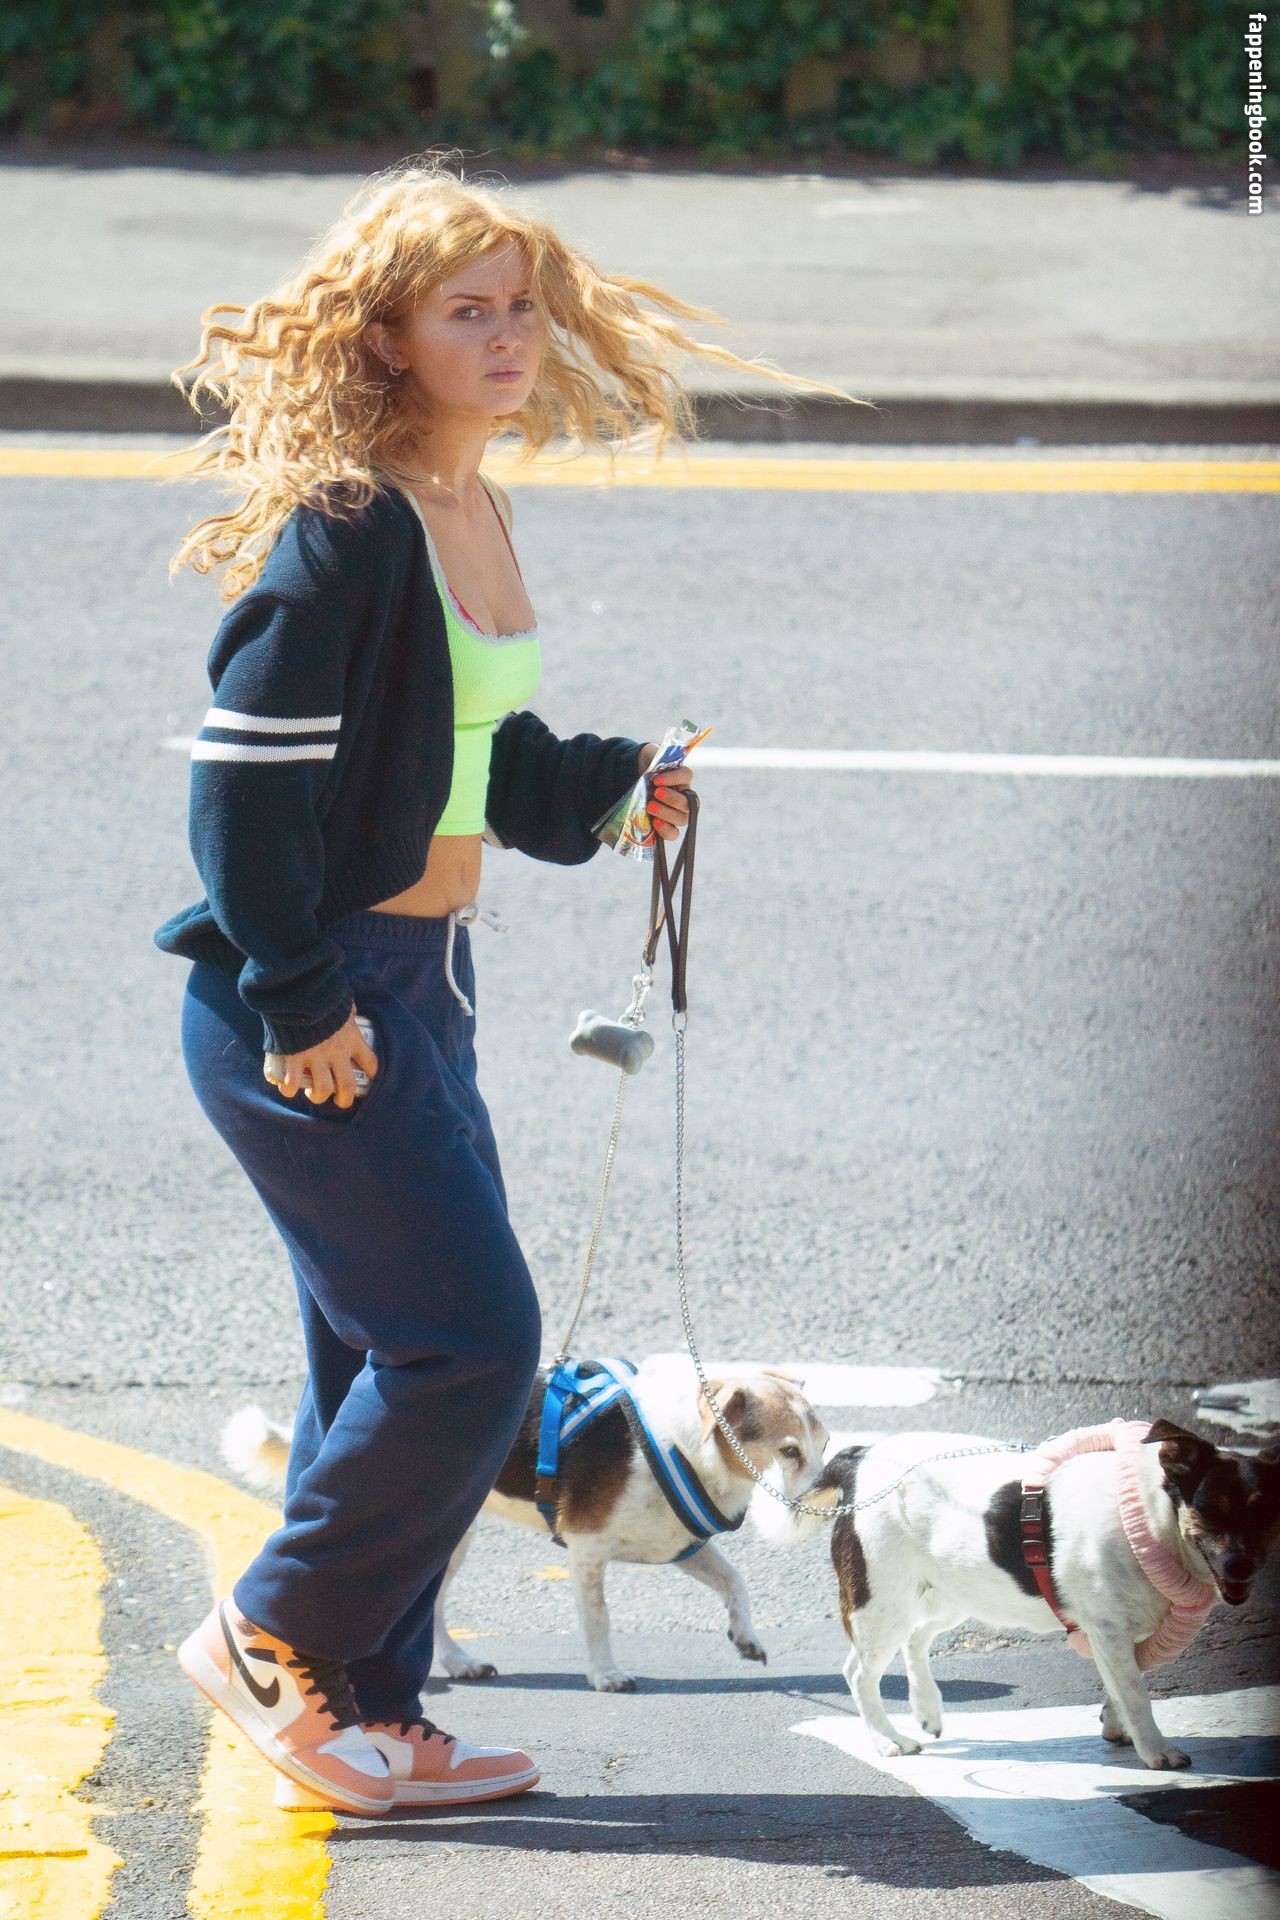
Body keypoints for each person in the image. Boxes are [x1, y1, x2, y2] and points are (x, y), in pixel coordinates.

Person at [153, 151, 858, 1817]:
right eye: (465, 311)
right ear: (385, 337)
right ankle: (272, 1634)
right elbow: (240, 789)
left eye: (520, 307)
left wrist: (609, 790)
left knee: (377, 1365)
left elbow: (476, 751)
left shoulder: (467, 507)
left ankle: (374, 1712)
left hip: (422, 980)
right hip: (313, 998)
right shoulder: (348, 529)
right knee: (474, 1346)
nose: (509, 335)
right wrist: (300, 999)